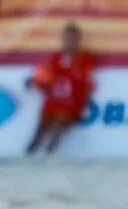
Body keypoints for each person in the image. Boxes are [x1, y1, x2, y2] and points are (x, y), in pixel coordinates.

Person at [26, 23, 95, 156]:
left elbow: (86, 83)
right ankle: (28, 156)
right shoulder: (55, 58)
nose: (70, 42)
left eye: (74, 39)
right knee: (40, 128)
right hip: (52, 100)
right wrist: (33, 81)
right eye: (68, 39)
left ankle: (49, 154)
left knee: (57, 125)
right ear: (63, 39)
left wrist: (81, 104)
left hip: (70, 102)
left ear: (79, 40)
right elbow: (44, 75)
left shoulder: (84, 60)